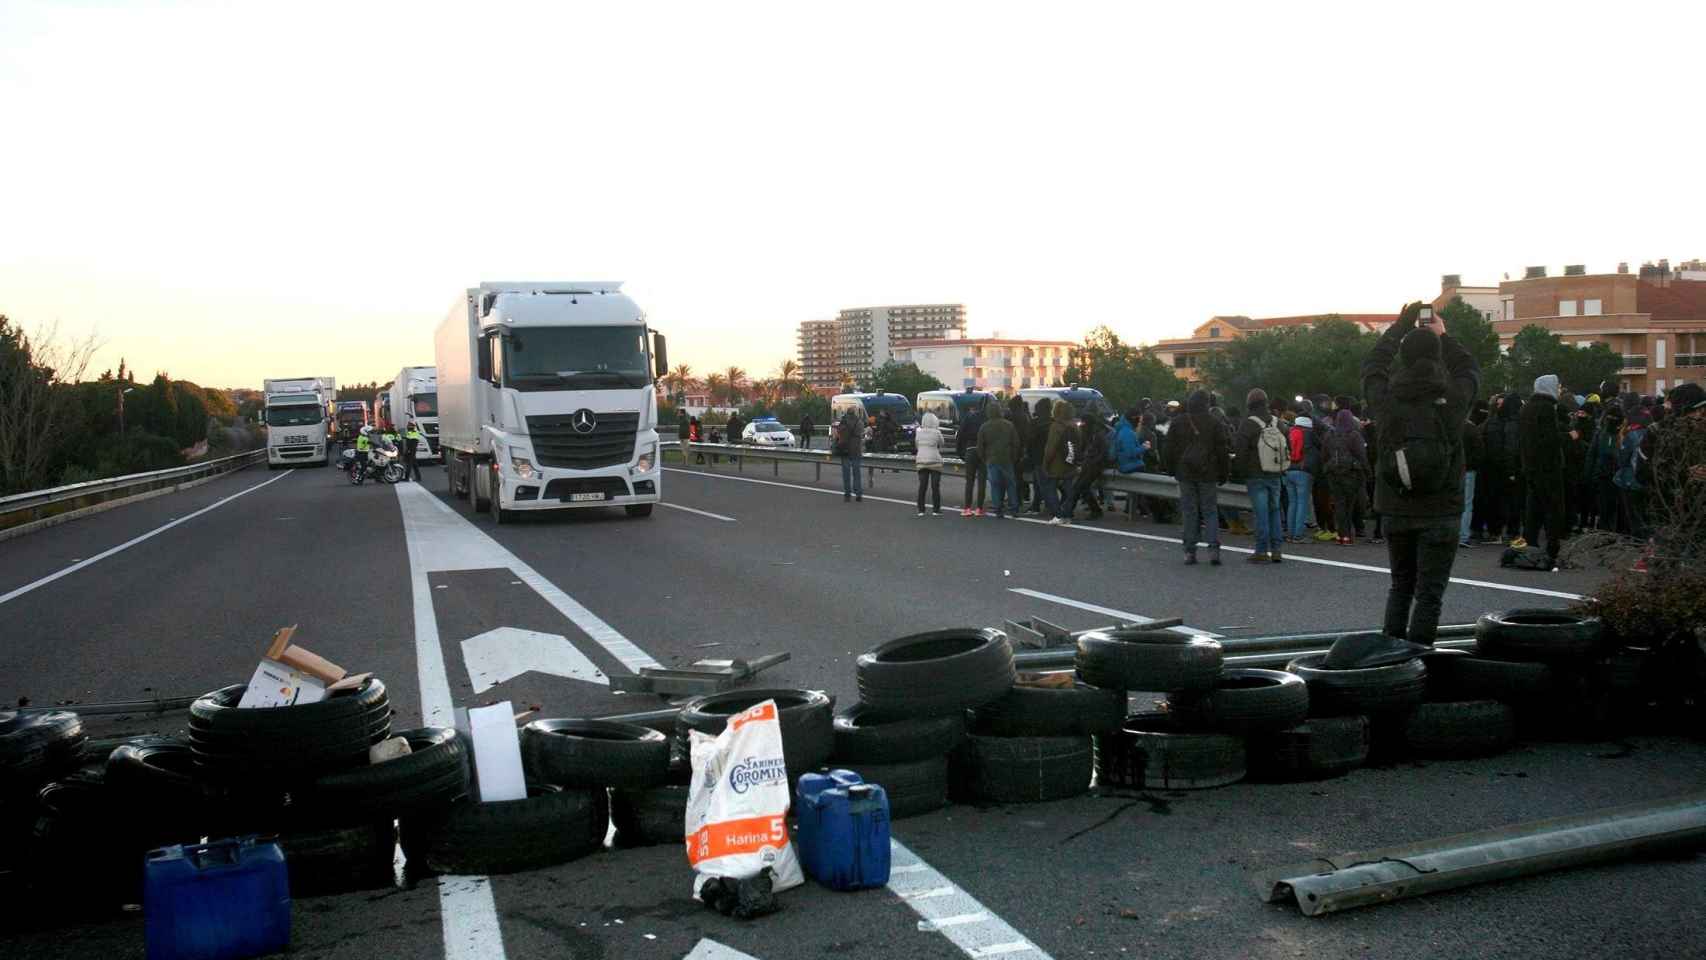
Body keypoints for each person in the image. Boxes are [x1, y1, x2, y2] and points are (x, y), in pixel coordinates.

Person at [1361, 301, 1479, 650]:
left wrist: (1398, 328)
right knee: (1430, 594)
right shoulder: (1453, 399)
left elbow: (1372, 367)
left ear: (1405, 357)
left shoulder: (1387, 400)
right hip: (1442, 509)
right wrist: (1444, 337)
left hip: (1396, 507)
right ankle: (1420, 661)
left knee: (1401, 586)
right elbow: (1469, 369)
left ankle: (1387, 659)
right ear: (1437, 355)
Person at [1164, 389, 1229, 564]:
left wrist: (1171, 469)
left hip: (1185, 472)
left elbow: (1168, 448)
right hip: (1208, 473)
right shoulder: (1214, 422)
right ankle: (1214, 550)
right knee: (1210, 511)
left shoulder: (1178, 422)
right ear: (1207, 404)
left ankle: (1189, 551)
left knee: (1189, 511)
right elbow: (1222, 450)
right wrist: (1224, 473)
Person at [1519, 374, 1569, 568]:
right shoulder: (1547, 409)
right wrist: (1566, 436)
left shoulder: (1526, 409)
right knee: (1553, 508)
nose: (1558, 390)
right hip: (1548, 467)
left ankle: (1529, 545)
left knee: (1533, 508)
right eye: (1557, 387)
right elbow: (1549, 439)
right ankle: (1551, 548)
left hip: (1530, 466)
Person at [1236, 388, 1287, 562]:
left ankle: (1261, 551)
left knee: (1261, 513)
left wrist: (1240, 472)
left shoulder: (1248, 423)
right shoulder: (1277, 422)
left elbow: (1240, 451)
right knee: (1275, 511)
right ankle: (1277, 550)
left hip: (1255, 474)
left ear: (1249, 404)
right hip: (1275, 473)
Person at [1322, 408, 1368, 545]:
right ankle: (1347, 536)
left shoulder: (1329, 434)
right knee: (1349, 505)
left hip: (1333, 473)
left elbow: (1324, 455)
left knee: (1339, 504)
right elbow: (1361, 456)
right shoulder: (1354, 435)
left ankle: (1341, 535)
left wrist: (1327, 468)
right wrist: (1367, 472)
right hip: (1351, 473)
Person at [1061, 410, 1109, 521]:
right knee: (1082, 487)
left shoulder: (1098, 434)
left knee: (1079, 486)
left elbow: (1103, 452)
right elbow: (1083, 449)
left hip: (1094, 466)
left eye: (1083, 423)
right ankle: (1091, 510)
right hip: (1088, 464)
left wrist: (1093, 461)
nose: (1081, 425)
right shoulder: (1088, 433)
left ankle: (1068, 512)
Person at [978, 401, 1021, 518]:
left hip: (991, 459)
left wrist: (984, 458)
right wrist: (1014, 457)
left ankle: (998, 509)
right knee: (1010, 485)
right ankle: (1014, 508)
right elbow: (1016, 443)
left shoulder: (984, 427)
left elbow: (980, 446)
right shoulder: (1009, 425)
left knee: (995, 485)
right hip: (1007, 459)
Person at [1284, 401, 1317, 543]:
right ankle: (1299, 535)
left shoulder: (1289, 432)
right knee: (1302, 503)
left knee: (1292, 502)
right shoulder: (1310, 434)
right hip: (1303, 471)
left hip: (1288, 470)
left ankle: (1291, 534)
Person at [1042, 399, 1077, 525]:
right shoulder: (1074, 426)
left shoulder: (1056, 426)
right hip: (1071, 461)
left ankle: (1058, 514)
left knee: (1050, 488)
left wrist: (1045, 464)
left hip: (1056, 463)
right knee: (1069, 489)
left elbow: (1050, 448)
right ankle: (1067, 514)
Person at [1458, 411, 1484, 548]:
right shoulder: (1471, 429)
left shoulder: (1448, 426)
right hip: (1468, 470)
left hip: (1451, 471)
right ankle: (1463, 535)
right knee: (1467, 504)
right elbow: (1479, 450)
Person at [957, 400, 988, 517]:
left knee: (969, 481)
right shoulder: (987, 420)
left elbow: (960, 434)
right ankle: (979, 508)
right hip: (983, 451)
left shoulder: (969, 418)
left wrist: (960, 452)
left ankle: (967, 508)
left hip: (970, 450)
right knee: (982, 481)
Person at [914, 410, 944, 516]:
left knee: (923, 485)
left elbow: (917, 445)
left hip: (921, 461)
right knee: (935, 486)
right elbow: (942, 443)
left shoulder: (919, 432)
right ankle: (936, 509)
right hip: (935, 461)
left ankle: (921, 509)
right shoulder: (937, 432)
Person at [1025, 398, 1051, 514]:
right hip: (1051, 456)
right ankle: (1037, 504)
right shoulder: (1053, 422)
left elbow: (1029, 440)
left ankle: (1049, 506)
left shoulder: (1035, 423)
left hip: (1038, 457)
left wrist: (1028, 454)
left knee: (1040, 483)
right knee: (1043, 483)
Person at [834, 407, 864, 502]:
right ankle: (858, 493)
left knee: (846, 474)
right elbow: (861, 433)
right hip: (855, 450)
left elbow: (838, 433)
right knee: (856, 473)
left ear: (847, 413)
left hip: (845, 449)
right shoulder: (859, 422)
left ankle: (847, 494)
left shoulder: (843, 422)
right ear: (855, 413)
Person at [1007, 396, 1032, 507]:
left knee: (1014, 475)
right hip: (1022, 448)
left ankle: (1016, 499)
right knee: (1019, 475)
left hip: (1014, 449)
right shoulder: (1025, 417)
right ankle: (1022, 496)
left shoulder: (1013, 417)